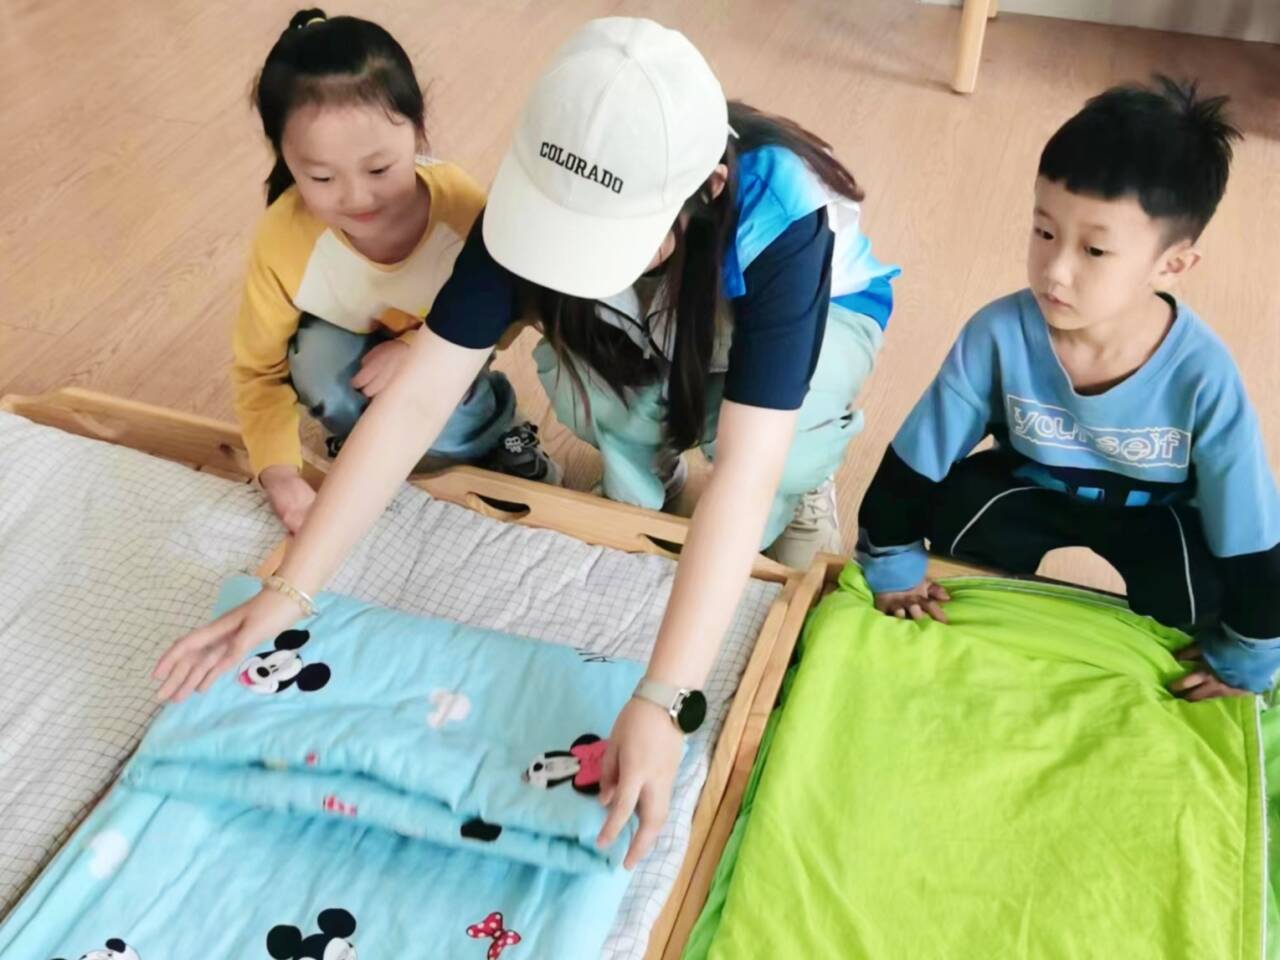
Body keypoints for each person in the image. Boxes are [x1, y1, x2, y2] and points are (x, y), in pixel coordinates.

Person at [155, 16, 898, 868]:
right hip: (667, 308)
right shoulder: (534, 188)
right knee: (595, 383)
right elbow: (420, 395)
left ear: (708, 188)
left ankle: (812, 474)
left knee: (779, 446)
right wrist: (292, 587)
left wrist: (664, 698)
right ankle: (643, 478)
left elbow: (745, 469)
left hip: (804, 319)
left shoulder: (783, 211)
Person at [855, 76, 1280, 701]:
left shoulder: (1203, 374)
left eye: (1096, 250)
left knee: (1203, 591)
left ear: (1172, 265)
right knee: (959, 513)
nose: (1055, 270)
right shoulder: (998, 333)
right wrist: (890, 566)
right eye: (1044, 232)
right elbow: (918, 456)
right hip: (1033, 487)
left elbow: (1247, 521)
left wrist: (1249, 655)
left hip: (1156, 516)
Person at [233, 8, 556, 533]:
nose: (357, 197)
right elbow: (258, 372)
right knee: (318, 364)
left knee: (434, 401)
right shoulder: (283, 239)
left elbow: (508, 312)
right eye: (321, 178)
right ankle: (362, 436)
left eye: (379, 168)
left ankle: (493, 432)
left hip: (445, 341)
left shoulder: (462, 212)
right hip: (348, 351)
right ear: (286, 162)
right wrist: (279, 473)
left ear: (419, 131)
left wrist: (416, 349)